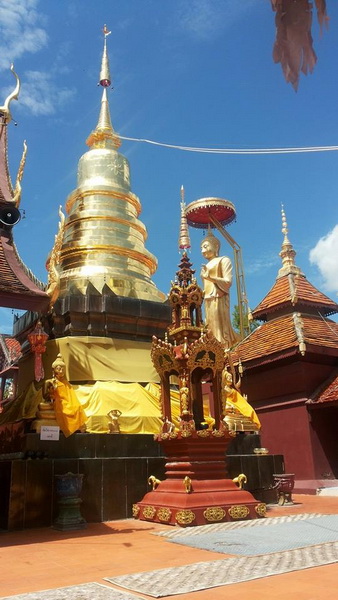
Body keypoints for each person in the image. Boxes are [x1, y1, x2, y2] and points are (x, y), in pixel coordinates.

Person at [200, 231, 239, 348]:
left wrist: (210, 277)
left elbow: (228, 282)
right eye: (201, 248)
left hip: (219, 297)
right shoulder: (205, 266)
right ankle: (213, 347)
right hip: (208, 298)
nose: (203, 250)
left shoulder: (224, 260)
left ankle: (223, 347)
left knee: (220, 328)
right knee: (209, 325)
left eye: (205, 246)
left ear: (216, 246)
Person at [43, 354, 87, 437]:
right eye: (58, 369)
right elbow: (45, 395)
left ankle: (77, 427)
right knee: (64, 408)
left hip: (67, 400)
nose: (61, 371)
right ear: (54, 370)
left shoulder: (65, 382)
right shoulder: (49, 382)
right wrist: (51, 393)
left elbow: (70, 394)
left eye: (63, 369)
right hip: (57, 400)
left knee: (77, 407)